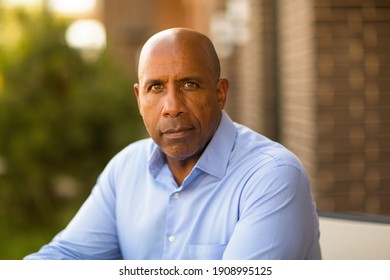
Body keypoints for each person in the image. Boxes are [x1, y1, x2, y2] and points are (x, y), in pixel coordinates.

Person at [25, 28, 321, 260]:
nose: (172, 106)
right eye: (156, 87)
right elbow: (66, 256)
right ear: (139, 99)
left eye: (189, 84)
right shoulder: (125, 169)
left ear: (219, 93)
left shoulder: (272, 176)